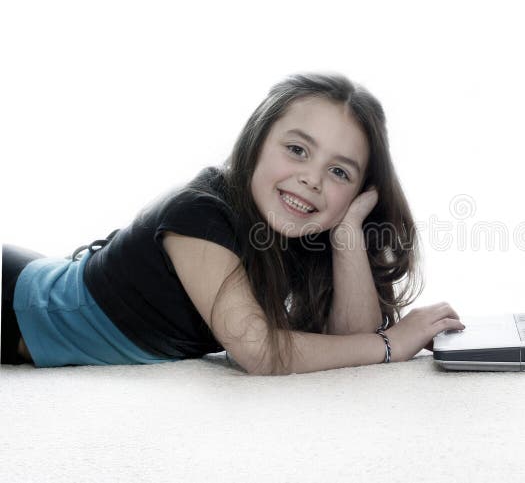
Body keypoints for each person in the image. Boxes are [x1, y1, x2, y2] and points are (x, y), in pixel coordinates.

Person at [1, 72, 466, 375]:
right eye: (298, 149)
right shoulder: (200, 213)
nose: (311, 179)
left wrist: (347, 232)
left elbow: (351, 341)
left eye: (339, 172)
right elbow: (259, 351)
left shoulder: (295, 228)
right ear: (257, 142)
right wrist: (392, 343)